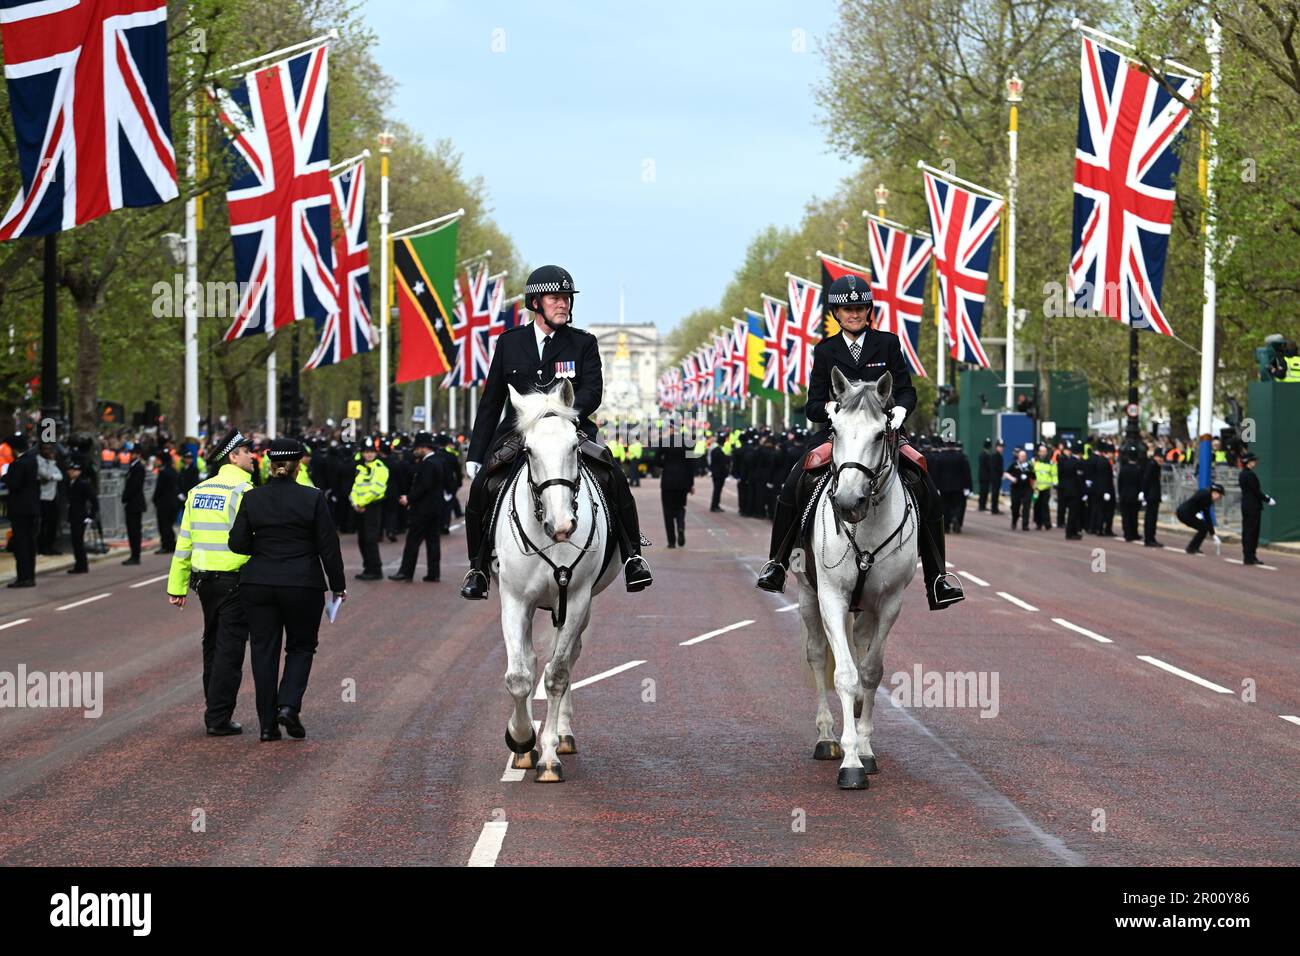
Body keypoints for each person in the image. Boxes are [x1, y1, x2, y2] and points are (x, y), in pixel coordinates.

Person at [756, 274, 963, 610]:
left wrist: (900, 409)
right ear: (836, 314)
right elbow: (812, 405)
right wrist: (831, 409)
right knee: (796, 480)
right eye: (847, 309)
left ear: (869, 310)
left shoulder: (888, 343)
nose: (854, 313)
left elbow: (908, 389)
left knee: (926, 482)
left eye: (860, 307)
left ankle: (937, 578)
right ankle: (777, 562)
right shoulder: (825, 351)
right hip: (836, 434)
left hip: (883, 432)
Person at [459, 264, 652, 600]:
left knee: (613, 477)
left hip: (570, 429)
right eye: (555, 297)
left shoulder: (584, 343)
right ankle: (477, 567)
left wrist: (561, 413)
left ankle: (633, 555)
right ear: (536, 303)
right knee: (481, 488)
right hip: (519, 432)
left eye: (566, 298)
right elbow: (491, 402)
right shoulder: (510, 343)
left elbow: (593, 391)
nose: (563, 303)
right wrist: (476, 454)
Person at [229, 438, 346, 741]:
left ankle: (267, 725)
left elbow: (237, 543)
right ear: (298, 467)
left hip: (258, 582)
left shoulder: (253, 498)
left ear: (271, 465)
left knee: (263, 652)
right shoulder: (313, 498)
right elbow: (328, 548)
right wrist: (338, 586)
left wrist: (266, 547)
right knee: (301, 646)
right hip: (302, 582)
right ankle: (289, 705)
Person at [166, 428, 257, 736]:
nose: (252, 456)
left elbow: (185, 544)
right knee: (230, 649)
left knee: (212, 644)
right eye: (247, 452)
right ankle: (218, 716)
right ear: (233, 456)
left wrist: (177, 587)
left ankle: (214, 705)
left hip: (204, 582)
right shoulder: (244, 491)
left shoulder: (198, 491)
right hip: (235, 578)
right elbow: (253, 538)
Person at [390, 432, 458, 582]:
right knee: (433, 542)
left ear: (424, 448)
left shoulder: (427, 464)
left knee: (413, 541)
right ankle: (433, 573)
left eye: (417, 447)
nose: (415, 450)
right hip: (436, 508)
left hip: (422, 510)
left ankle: (406, 572)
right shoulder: (439, 460)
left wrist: (409, 498)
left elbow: (423, 486)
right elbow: (449, 482)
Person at [3, 433, 39, 588]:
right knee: (29, 543)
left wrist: (5, 476)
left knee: (21, 544)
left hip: (20, 509)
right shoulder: (32, 460)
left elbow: (14, 484)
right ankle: (29, 575)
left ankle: (23, 577)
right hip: (31, 507)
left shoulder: (18, 464)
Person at [349, 440, 388, 580]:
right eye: (366, 452)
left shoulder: (380, 468)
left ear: (375, 453)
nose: (369, 454)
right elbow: (355, 488)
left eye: (371, 451)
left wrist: (361, 503)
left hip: (372, 507)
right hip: (360, 507)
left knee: (371, 539)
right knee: (362, 539)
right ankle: (368, 567)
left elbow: (377, 489)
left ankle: (375, 570)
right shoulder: (360, 468)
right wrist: (355, 503)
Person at [1237, 452, 1275, 565]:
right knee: (1252, 531)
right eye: (1253, 460)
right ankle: (1250, 556)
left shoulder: (1243, 474)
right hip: (1252, 506)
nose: (1255, 462)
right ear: (1248, 462)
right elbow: (1255, 491)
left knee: (1248, 531)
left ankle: (1248, 555)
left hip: (1247, 505)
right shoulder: (1249, 475)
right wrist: (1267, 500)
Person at [659, 434, 694, 548]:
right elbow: (691, 465)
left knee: (667, 511)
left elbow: (656, 459)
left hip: (668, 481)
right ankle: (680, 525)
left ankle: (671, 541)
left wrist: (666, 465)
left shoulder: (665, 442)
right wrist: (691, 484)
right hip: (683, 481)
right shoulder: (687, 444)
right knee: (680, 507)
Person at [64, 456, 98, 574]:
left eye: (72, 470)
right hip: (74, 515)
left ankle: (82, 565)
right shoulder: (71, 483)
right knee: (75, 541)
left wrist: (90, 516)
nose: (70, 472)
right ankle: (79, 564)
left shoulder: (83, 484)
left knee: (78, 541)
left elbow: (94, 500)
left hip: (80, 516)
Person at [1175, 482, 1225, 555]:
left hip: (1187, 513)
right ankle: (1191, 548)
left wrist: (1213, 534)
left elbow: (1207, 516)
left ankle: (1194, 548)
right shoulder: (1205, 494)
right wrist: (1196, 513)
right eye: (1219, 496)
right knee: (1203, 529)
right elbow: (1194, 500)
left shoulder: (1208, 498)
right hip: (1185, 513)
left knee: (1203, 528)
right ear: (1215, 493)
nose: (1219, 498)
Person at [120, 445, 146, 564]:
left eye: (133, 453)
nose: (131, 455)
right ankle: (134, 554)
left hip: (135, 503)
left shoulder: (138, 467)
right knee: (132, 530)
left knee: (134, 530)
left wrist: (125, 497)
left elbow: (134, 486)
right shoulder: (133, 466)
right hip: (132, 503)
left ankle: (135, 556)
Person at [36, 444, 63, 556]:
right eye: (45, 449)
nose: (48, 452)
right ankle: (42, 547)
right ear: (41, 450)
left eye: (49, 449)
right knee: (44, 524)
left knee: (53, 523)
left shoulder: (51, 462)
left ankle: (51, 546)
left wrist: (52, 477)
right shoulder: (38, 461)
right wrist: (52, 476)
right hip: (43, 497)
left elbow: (60, 476)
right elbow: (45, 474)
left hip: (53, 496)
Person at [152, 447, 181, 554]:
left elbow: (159, 489)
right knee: (169, 525)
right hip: (174, 502)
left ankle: (166, 545)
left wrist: (154, 499)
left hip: (164, 503)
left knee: (164, 525)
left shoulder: (163, 472)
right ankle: (171, 544)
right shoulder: (174, 471)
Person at [1056, 442, 1084, 540]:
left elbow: (1060, 475)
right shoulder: (1078, 463)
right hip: (1075, 491)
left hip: (1064, 490)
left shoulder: (1065, 461)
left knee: (1068, 511)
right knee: (1073, 513)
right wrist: (1083, 492)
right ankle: (1071, 532)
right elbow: (1080, 479)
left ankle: (1072, 531)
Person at [1005, 448, 1035, 531]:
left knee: (1026, 506)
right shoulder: (1014, 465)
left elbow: (1033, 477)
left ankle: (1025, 525)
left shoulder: (1029, 466)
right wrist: (1012, 478)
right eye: (1021, 456)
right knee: (1015, 507)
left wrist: (1033, 487)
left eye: (1024, 456)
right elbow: (1006, 473)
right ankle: (1014, 521)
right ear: (1018, 457)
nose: (1022, 457)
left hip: (1026, 489)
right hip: (1016, 489)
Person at [1117, 450, 1142, 542]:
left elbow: (1120, 483)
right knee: (1133, 516)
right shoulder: (1138, 469)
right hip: (1134, 495)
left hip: (1124, 494)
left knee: (1126, 516)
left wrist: (1120, 494)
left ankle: (1127, 533)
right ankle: (1134, 533)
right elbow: (1140, 483)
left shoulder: (1123, 469)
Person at [1140, 449, 1164, 547]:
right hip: (1152, 495)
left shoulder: (1153, 465)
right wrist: (1144, 493)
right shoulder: (1153, 465)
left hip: (1152, 495)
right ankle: (1149, 539)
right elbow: (1147, 479)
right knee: (1151, 518)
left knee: (1151, 518)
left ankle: (1150, 538)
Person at [1032, 444, 1056, 529]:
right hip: (1037, 488)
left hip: (1046, 487)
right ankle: (1038, 523)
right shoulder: (1034, 461)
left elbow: (1054, 474)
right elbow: (1031, 472)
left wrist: (1055, 483)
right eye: (1041, 451)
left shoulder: (1050, 462)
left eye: (1044, 451)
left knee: (1045, 505)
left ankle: (1047, 523)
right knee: (1037, 505)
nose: (1042, 453)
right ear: (1038, 452)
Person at [708, 435, 729, 512]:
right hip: (720, 474)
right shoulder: (720, 452)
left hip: (715, 473)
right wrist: (726, 472)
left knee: (716, 490)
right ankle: (715, 506)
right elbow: (723, 464)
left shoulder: (714, 450)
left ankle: (715, 505)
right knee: (718, 490)